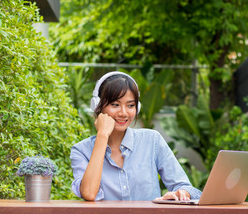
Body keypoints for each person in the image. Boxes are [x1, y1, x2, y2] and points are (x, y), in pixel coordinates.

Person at [70, 71, 202, 201]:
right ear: (97, 105)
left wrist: (180, 194)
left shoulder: (152, 140)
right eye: (115, 104)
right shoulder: (81, 151)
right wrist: (102, 135)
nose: (123, 113)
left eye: (130, 105)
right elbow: (89, 193)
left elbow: (184, 186)